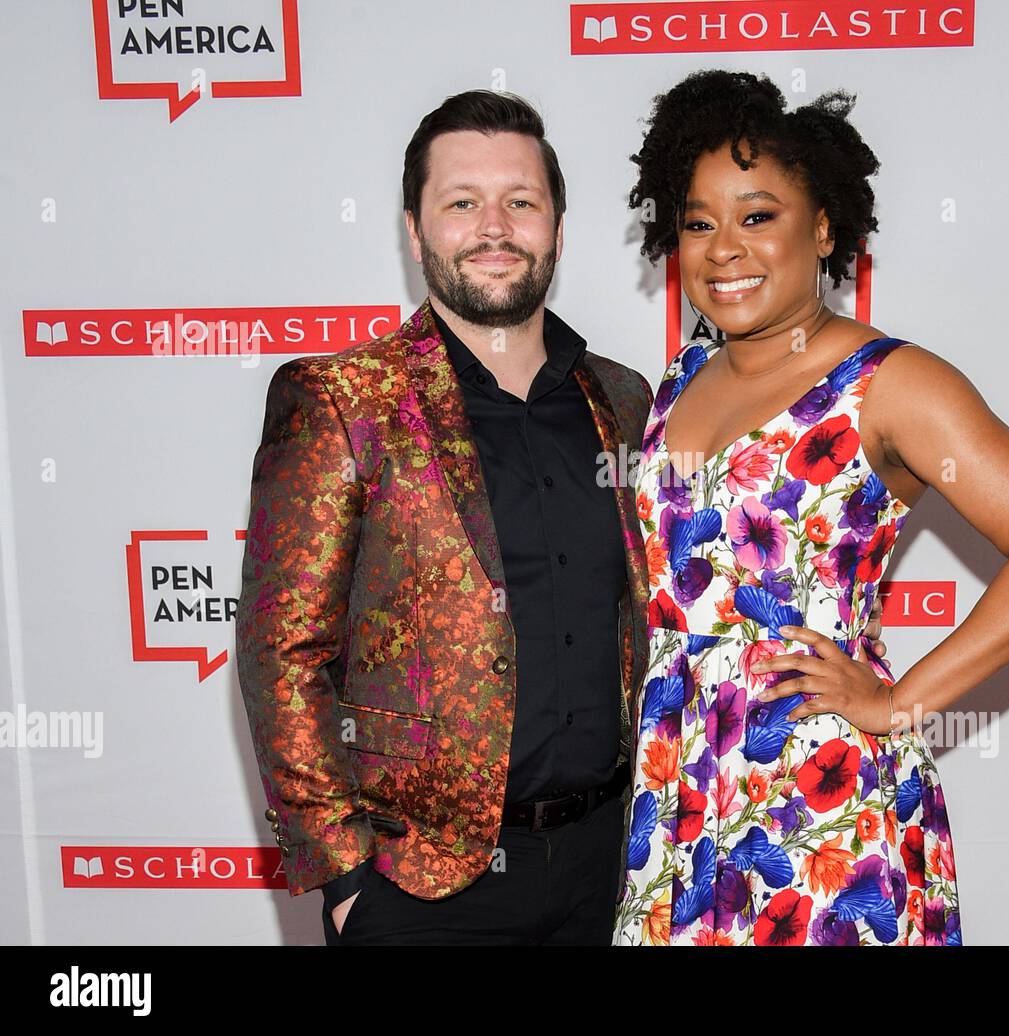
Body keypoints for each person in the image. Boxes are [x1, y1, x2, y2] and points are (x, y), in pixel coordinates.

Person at [234, 87, 892, 945]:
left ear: (558, 225)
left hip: (615, 868)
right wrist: (348, 877)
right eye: (461, 203)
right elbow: (281, 650)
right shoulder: (342, 401)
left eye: (521, 202)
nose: (493, 226)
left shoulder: (626, 401)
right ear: (414, 228)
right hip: (419, 892)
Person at [613, 70, 1009, 946]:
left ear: (826, 229)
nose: (725, 247)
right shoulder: (684, 377)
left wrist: (897, 703)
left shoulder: (891, 384)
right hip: (680, 781)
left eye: (758, 216)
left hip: (813, 792)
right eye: (699, 222)